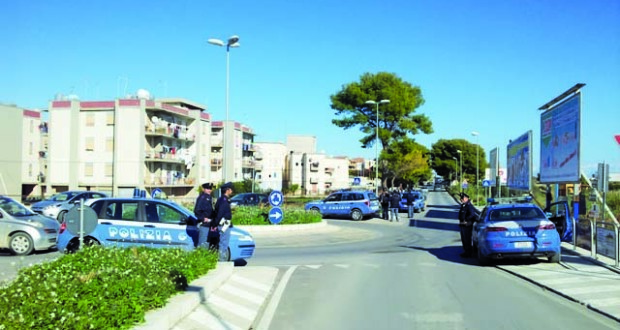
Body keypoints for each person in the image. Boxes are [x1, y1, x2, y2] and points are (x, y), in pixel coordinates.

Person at [214, 182, 234, 261]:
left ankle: (221, 259)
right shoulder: (223, 201)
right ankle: (221, 261)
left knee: (223, 243)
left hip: (223, 224)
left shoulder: (221, 199)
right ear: (227, 190)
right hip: (223, 225)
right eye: (231, 189)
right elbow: (220, 214)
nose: (232, 191)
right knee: (223, 243)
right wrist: (215, 224)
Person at [458, 192, 479, 257]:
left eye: (462, 198)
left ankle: (468, 253)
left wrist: (466, 220)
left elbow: (472, 214)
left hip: (467, 225)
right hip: (463, 224)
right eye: (461, 198)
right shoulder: (464, 205)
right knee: (464, 239)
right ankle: (466, 251)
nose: (461, 200)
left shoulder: (469, 206)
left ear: (466, 198)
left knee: (467, 239)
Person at [195, 183, 215, 249]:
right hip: (204, 224)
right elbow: (197, 211)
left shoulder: (209, 198)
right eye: (207, 189)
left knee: (207, 243)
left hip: (209, 223)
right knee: (202, 243)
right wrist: (203, 219)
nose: (209, 190)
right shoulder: (202, 198)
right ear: (204, 189)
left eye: (210, 189)